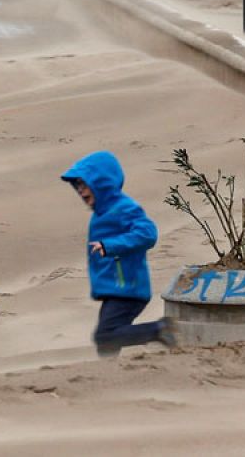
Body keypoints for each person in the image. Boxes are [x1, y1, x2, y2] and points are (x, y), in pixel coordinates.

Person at [61, 150, 174, 357]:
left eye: (85, 184)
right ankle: (109, 377)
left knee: (105, 335)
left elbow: (148, 233)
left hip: (127, 288)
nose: (81, 191)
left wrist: (110, 246)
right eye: (78, 186)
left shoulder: (123, 208)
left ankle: (160, 330)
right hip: (115, 288)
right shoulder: (103, 213)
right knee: (106, 343)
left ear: (101, 182)